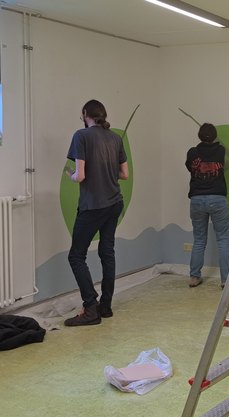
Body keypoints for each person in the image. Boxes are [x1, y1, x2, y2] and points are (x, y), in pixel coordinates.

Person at [64, 99, 128, 326]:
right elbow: (124, 174)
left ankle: (90, 307)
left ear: (85, 114)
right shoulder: (115, 138)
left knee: (76, 256)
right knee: (107, 252)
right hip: (114, 203)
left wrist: (72, 174)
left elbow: (80, 175)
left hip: (93, 206)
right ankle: (106, 306)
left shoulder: (81, 136)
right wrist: (106, 169)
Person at [185, 123, 229, 288]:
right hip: (218, 198)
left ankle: (194, 277)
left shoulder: (192, 153)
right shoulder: (220, 151)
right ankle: (226, 280)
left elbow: (190, 168)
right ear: (214, 136)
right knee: (223, 239)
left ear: (199, 136)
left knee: (199, 240)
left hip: (197, 200)